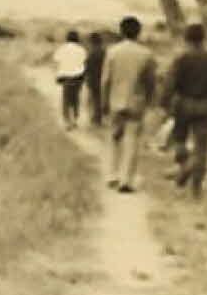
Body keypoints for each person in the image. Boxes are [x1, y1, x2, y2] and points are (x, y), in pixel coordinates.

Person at [163, 22, 207, 198]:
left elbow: (170, 84)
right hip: (205, 107)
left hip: (183, 105)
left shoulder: (181, 59)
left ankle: (184, 168)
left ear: (186, 39)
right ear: (203, 39)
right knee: (201, 149)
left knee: (180, 141)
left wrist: (165, 103)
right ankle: (196, 188)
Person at [98, 15, 159, 194]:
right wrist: (151, 101)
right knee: (132, 140)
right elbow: (151, 82)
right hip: (136, 102)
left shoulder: (112, 52)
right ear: (138, 32)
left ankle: (111, 175)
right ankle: (126, 180)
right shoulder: (146, 54)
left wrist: (103, 102)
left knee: (113, 138)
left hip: (115, 101)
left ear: (121, 31)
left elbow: (105, 80)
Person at [52, 30, 89, 129]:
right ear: (77, 38)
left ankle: (67, 121)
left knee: (66, 99)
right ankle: (75, 119)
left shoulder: (62, 49)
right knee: (76, 98)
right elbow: (85, 63)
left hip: (65, 77)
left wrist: (58, 74)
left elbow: (56, 62)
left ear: (67, 38)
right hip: (78, 77)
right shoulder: (81, 49)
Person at [83, 30, 108, 128]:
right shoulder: (104, 52)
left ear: (92, 41)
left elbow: (86, 66)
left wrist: (85, 77)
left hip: (93, 79)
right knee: (100, 98)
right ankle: (99, 116)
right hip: (103, 78)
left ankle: (96, 118)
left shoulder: (91, 52)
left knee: (94, 98)